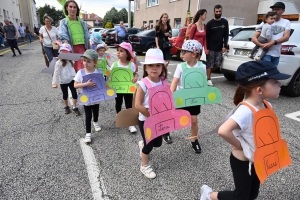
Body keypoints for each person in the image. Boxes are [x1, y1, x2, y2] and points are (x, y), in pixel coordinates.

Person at [199, 60, 290, 200]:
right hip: (243, 161)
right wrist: (239, 145)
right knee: (241, 196)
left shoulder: (266, 104)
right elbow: (223, 130)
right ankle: (209, 195)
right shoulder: (246, 111)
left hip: (258, 159)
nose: (280, 84)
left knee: (252, 194)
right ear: (259, 89)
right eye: (275, 82)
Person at [135, 48, 168, 179]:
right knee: (149, 145)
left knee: (158, 143)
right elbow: (138, 105)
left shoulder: (163, 81)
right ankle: (144, 165)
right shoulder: (143, 84)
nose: (154, 68)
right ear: (146, 68)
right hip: (146, 120)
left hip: (159, 119)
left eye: (158, 65)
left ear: (162, 67)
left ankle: (142, 143)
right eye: (151, 65)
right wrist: (151, 116)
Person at [170, 40, 205, 153]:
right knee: (174, 118)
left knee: (194, 120)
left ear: (194, 54)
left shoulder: (202, 67)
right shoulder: (181, 66)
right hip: (181, 97)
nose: (182, 54)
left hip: (194, 99)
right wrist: (171, 95)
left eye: (185, 51)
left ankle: (194, 140)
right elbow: (174, 82)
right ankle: (165, 131)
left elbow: (202, 83)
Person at [74, 49, 102, 143]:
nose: (85, 63)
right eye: (84, 60)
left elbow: (102, 83)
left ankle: (96, 122)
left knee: (96, 112)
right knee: (88, 115)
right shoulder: (80, 72)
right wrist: (86, 84)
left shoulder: (98, 72)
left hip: (96, 97)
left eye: (88, 61)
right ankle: (88, 133)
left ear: (95, 62)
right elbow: (75, 85)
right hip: (86, 99)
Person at [110, 42, 138, 133]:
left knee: (129, 105)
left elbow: (135, 74)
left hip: (128, 89)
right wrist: (109, 81)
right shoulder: (115, 65)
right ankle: (118, 115)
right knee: (118, 103)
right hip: (118, 89)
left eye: (121, 51)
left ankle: (130, 123)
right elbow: (111, 76)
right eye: (118, 50)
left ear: (127, 54)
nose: (118, 52)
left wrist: (135, 78)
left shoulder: (131, 65)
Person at [251, 2, 291, 66]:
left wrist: (272, 42)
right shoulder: (265, 22)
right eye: (273, 9)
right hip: (264, 54)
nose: (274, 11)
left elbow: (286, 37)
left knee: (273, 75)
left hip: (276, 54)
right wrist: (262, 45)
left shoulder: (286, 22)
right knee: (264, 74)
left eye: (277, 9)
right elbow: (253, 38)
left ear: (283, 11)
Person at [59, 0, 90, 72]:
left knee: (83, 69)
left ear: (77, 9)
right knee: (72, 69)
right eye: (70, 7)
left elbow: (87, 36)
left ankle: (81, 83)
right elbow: (64, 36)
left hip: (82, 48)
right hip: (71, 49)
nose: (73, 9)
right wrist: (66, 50)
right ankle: (75, 83)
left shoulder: (81, 21)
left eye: (74, 7)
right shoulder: (64, 21)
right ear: (67, 8)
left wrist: (89, 50)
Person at [52, 43, 80, 116]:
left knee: (74, 94)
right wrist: (54, 83)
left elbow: (73, 69)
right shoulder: (58, 63)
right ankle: (66, 106)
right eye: (63, 52)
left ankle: (74, 107)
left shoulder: (71, 60)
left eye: (66, 52)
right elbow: (56, 73)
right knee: (65, 94)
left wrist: (77, 78)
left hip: (72, 80)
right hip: (63, 81)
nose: (64, 54)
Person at [206, 5, 229, 86]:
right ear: (214, 12)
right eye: (217, 11)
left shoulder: (225, 22)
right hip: (211, 47)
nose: (218, 13)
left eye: (219, 11)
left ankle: (206, 72)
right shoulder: (209, 23)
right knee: (210, 63)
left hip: (220, 47)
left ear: (221, 12)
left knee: (217, 64)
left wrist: (224, 46)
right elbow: (207, 37)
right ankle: (208, 78)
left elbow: (226, 35)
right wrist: (207, 48)